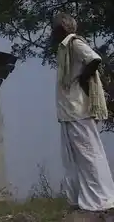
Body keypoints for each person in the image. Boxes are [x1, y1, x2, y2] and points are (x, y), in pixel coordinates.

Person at [51, 13, 114, 216]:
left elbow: (94, 59)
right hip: (69, 111)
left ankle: (101, 199)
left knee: (89, 154)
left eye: (54, 28)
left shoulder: (74, 43)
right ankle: (83, 199)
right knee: (75, 158)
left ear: (62, 29)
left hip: (78, 110)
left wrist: (81, 80)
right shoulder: (64, 47)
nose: (52, 32)